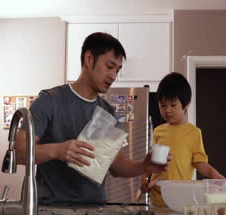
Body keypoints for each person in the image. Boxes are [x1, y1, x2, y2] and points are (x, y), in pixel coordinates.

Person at [14, 32, 168, 206]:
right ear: (89, 59)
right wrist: (58, 150)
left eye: (117, 70)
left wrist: (143, 166)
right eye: (109, 67)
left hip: (94, 211)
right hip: (50, 212)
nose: (113, 76)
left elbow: (116, 165)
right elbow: (19, 151)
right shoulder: (49, 100)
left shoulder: (108, 112)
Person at [139, 72, 225, 207]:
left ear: (186, 105)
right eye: (163, 105)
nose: (167, 110)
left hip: (181, 201)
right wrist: (144, 178)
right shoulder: (158, 131)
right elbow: (155, 164)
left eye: (173, 105)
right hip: (157, 201)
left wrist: (215, 174)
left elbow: (199, 163)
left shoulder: (194, 133)